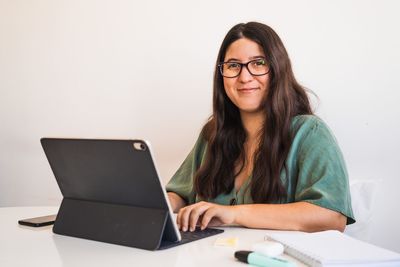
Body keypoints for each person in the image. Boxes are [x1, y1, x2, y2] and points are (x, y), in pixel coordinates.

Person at [166, 22, 355, 233]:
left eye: (258, 63)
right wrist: (163, 203)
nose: (244, 77)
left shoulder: (309, 132)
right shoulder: (212, 134)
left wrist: (234, 214)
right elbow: (181, 194)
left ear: (277, 69)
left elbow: (331, 217)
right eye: (233, 65)